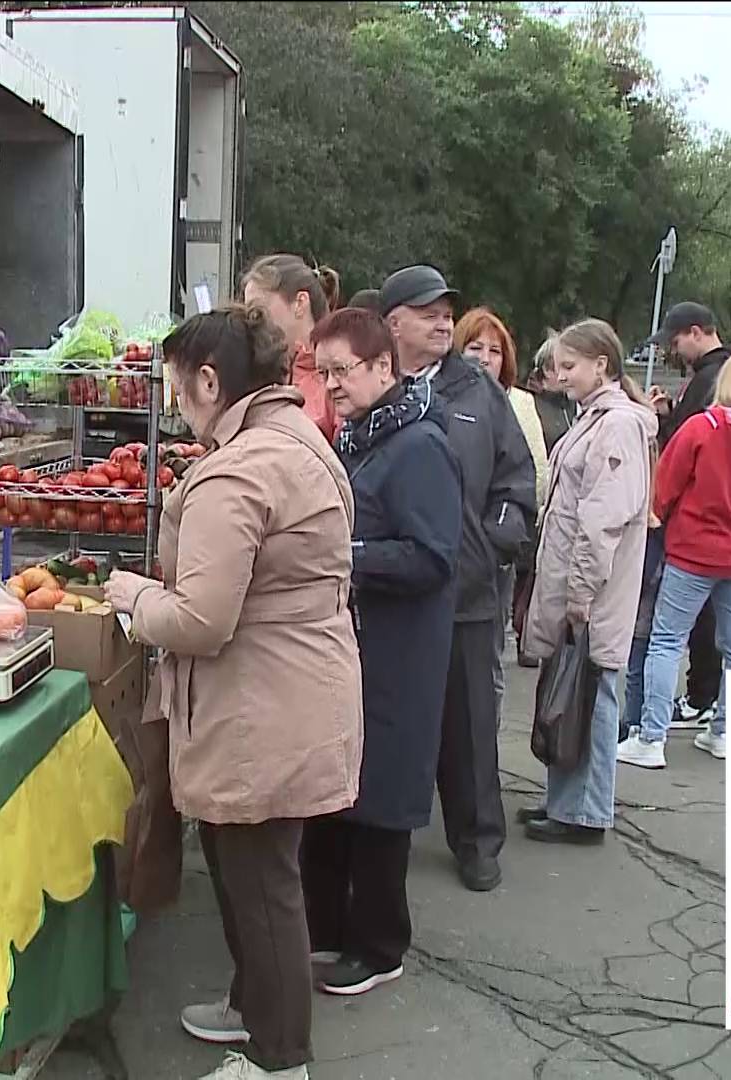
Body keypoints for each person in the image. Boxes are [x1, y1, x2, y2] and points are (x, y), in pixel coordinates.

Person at [103, 304, 361, 1080]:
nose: (180, 406)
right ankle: (252, 1012)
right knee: (256, 873)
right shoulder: (296, 439)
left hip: (258, 705)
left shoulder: (239, 467)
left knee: (263, 889)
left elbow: (200, 619)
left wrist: (130, 599)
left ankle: (280, 1061)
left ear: (211, 381)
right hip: (293, 689)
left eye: (181, 388)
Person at [300, 307, 461, 998]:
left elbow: (434, 556)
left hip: (397, 653)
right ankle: (329, 931)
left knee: (381, 799)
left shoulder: (418, 445)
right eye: (323, 370)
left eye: (342, 371)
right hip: (355, 645)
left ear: (382, 368)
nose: (330, 384)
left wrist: (347, 556)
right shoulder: (362, 437)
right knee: (340, 792)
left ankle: (378, 944)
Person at [372, 265, 536, 892]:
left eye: (448, 311)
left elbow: (517, 479)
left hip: (467, 593)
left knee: (468, 727)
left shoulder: (477, 390)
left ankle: (476, 840)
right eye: (428, 311)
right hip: (390, 593)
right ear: (394, 324)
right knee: (388, 719)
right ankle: (385, 831)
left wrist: (496, 540)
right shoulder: (375, 383)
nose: (445, 321)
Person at [618, 349, 731, 769]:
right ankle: (725, 732)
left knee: (667, 640)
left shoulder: (701, 427)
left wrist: (654, 519)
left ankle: (651, 737)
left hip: (693, 551)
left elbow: (666, 483)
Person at [518, 318, 656, 844]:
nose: (561, 376)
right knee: (572, 694)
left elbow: (602, 519)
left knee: (590, 697)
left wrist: (580, 592)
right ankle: (567, 801)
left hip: (593, 594)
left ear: (602, 364)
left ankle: (585, 811)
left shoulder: (615, 424)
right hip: (584, 588)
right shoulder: (599, 418)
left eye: (569, 366)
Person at [645, 302, 731, 731]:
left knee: (679, 627)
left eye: (677, 341)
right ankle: (721, 713)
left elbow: (688, 446)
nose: (674, 351)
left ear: (696, 332)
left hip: (699, 515)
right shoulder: (725, 375)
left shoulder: (710, 378)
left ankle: (693, 701)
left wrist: (662, 505)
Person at [457, 307, 548, 698]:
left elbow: (533, 475)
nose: (483, 357)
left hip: (493, 557)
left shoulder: (520, 405)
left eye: (494, 351)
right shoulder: (441, 398)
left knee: (488, 660)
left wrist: (499, 541)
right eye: (474, 347)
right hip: (450, 550)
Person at [512, 334, 578, 664]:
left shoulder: (574, 408)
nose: (564, 375)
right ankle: (525, 634)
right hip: (537, 503)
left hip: (562, 507)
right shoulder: (531, 407)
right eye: (558, 367)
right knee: (527, 574)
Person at [241, 254, 342, 443]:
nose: (250, 322)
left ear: (300, 303)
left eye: (257, 310)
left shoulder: (338, 375)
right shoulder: (260, 372)